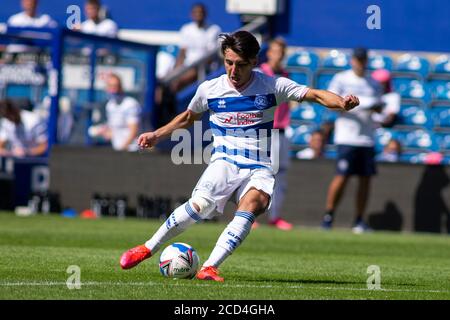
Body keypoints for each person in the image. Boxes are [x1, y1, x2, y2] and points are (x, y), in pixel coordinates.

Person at [119, 31, 359, 282]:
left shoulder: (272, 86)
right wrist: (157, 135)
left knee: (255, 203)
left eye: (241, 65)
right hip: (224, 162)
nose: (233, 70)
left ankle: (209, 267)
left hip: (258, 166)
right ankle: (147, 247)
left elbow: (316, 94)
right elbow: (189, 118)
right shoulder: (210, 89)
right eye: (229, 62)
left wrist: (341, 102)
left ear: (254, 62)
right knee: (200, 205)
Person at [322, 47, 382, 234]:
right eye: (357, 59)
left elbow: (380, 108)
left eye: (363, 60)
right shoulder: (341, 79)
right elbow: (331, 103)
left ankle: (359, 219)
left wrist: (376, 107)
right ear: (352, 60)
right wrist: (347, 106)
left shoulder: (374, 83)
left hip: (366, 137)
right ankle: (329, 215)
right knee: (342, 177)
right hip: (346, 136)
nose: (360, 63)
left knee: (365, 180)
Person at [255, 37, 293, 230]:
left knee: (281, 176)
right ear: (269, 53)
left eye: (282, 52)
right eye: (276, 51)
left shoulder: (286, 75)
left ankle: (275, 216)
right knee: (256, 173)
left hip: (282, 131)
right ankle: (249, 216)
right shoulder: (261, 73)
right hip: (264, 131)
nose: (279, 56)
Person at [171, 3, 221, 91]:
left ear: (205, 14)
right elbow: (182, 53)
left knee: (176, 83)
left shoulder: (214, 29)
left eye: (200, 12)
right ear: (192, 14)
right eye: (196, 12)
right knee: (167, 80)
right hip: (187, 66)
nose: (198, 14)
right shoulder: (186, 29)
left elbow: (210, 57)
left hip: (204, 68)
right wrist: (176, 70)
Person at [88, 73, 141, 151]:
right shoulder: (110, 105)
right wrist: (103, 131)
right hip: (118, 150)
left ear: (121, 87)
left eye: (116, 86)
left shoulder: (130, 104)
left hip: (132, 150)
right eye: (110, 86)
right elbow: (113, 131)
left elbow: (133, 132)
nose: (114, 89)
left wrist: (123, 148)